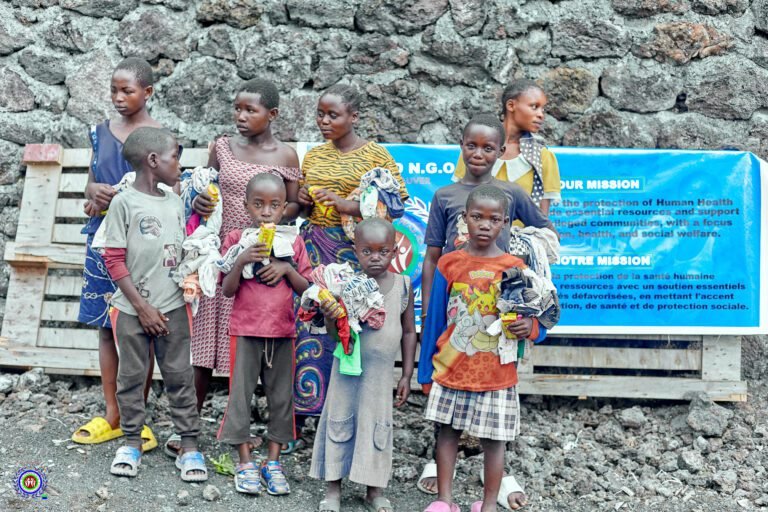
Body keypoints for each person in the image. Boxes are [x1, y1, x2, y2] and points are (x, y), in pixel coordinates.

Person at [417, 114, 554, 509]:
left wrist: (534, 259)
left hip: (497, 353)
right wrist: (431, 315)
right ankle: (444, 493)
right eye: (470, 145)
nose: (478, 154)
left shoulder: (512, 198)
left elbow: (544, 233)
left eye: (488, 147)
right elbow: (432, 257)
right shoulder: (445, 197)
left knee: (496, 432)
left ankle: (489, 496)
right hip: (454, 336)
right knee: (447, 426)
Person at [178, 78, 301, 456]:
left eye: (251, 110)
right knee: (202, 345)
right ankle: (189, 430)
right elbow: (205, 186)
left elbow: (296, 205)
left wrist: (265, 227)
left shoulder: (286, 156)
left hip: (258, 260)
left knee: (250, 349)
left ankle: (254, 434)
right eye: (237, 108)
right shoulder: (221, 147)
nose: (241, 116)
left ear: (272, 114)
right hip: (219, 255)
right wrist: (200, 201)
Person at [294, 84, 408, 434]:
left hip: (354, 255)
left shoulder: (376, 156)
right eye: (320, 114)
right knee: (310, 329)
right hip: (315, 249)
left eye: (333, 115)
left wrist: (346, 205)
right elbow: (301, 202)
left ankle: (347, 417)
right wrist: (302, 198)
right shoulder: (313, 156)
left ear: (353, 117)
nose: (324, 121)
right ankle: (305, 416)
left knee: (351, 328)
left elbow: (398, 204)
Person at [102, 127, 206, 482]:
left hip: (174, 308)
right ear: (152, 161)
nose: (180, 162)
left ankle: (189, 445)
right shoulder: (123, 203)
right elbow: (113, 259)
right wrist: (142, 308)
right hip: (132, 310)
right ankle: (131, 441)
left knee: (179, 376)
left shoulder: (176, 202)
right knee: (131, 377)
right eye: (175, 156)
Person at [73, 57, 162, 451]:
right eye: (114, 90)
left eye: (127, 90)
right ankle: (112, 413)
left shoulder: (160, 137)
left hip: (143, 248)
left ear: (148, 92)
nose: (118, 98)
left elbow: (170, 192)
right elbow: (90, 187)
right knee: (107, 329)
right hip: (101, 242)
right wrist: (93, 195)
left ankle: (135, 416)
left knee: (140, 330)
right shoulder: (100, 132)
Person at [309, 218, 417, 512]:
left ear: (394, 252)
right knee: (339, 421)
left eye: (382, 251)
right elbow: (335, 335)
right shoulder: (346, 285)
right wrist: (331, 316)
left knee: (377, 428)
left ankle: (374, 490)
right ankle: (333, 489)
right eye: (367, 251)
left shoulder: (403, 286)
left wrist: (407, 374)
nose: (375, 258)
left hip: (381, 378)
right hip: (346, 371)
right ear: (355, 251)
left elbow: (409, 332)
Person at [217, 173, 312, 496]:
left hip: (284, 332)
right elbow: (226, 290)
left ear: (285, 208)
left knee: (282, 399)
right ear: (247, 206)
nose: (267, 212)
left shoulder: (293, 241)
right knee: (240, 396)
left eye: (274, 205)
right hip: (245, 331)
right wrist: (242, 259)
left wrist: (287, 269)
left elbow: (308, 288)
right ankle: (244, 460)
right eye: (258, 205)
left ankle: (272, 462)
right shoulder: (236, 239)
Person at [453, 80, 561, 218]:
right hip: (478, 237)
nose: (541, 115)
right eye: (534, 107)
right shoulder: (475, 150)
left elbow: (542, 218)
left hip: (525, 237)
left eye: (543, 109)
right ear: (511, 105)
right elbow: (460, 199)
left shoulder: (542, 156)